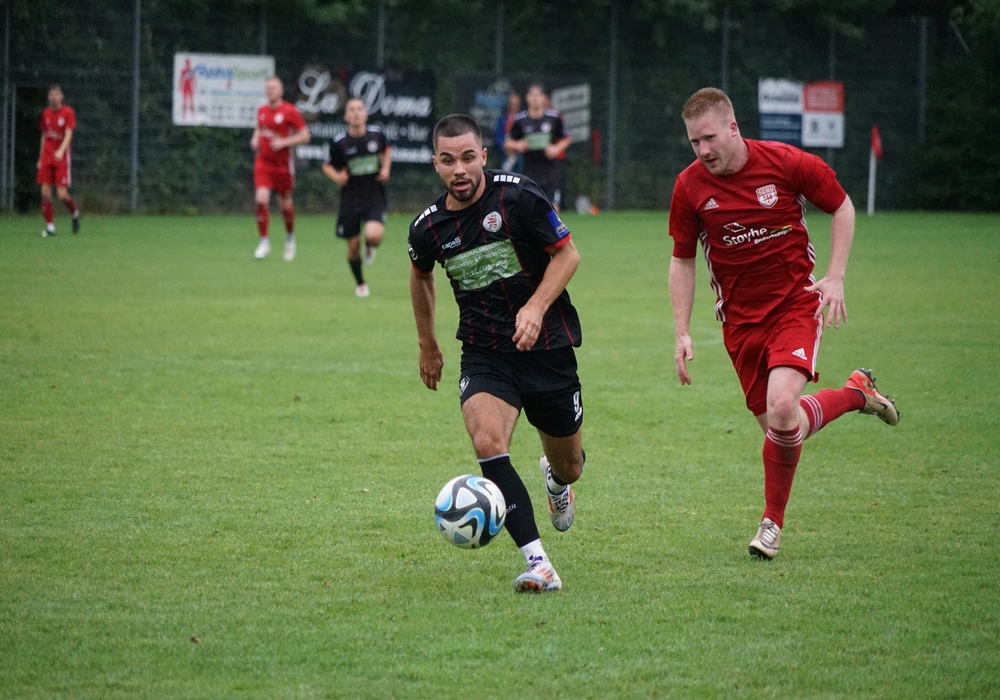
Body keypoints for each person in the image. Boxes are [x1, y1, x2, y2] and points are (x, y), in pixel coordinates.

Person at [668, 87, 899, 560]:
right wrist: (682, 330)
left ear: (733, 128)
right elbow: (682, 260)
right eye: (694, 142)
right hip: (739, 325)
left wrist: (835, 276)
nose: (703, 150)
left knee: (781, 406)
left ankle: (771, 524)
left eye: (709, 138)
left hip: (795, 306)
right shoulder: (689, 187)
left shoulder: (785, 162)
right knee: (785, 425)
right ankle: (856, 393)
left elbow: (842, 206)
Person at [409, 114, 585, 593]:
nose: (460, 169)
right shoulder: (427, 228)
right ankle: (539, 563)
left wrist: (536, 307)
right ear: (435, 163)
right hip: (485, 352)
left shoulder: (520, 196)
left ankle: (556, 482)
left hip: (547, 348)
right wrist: (427, 342)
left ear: (483, 156)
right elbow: (421, 276)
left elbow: (567, 254)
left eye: (468, 157)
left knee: (569, 465)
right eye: (448, 160)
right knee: (488, 442)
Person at [322, 97, 391, 297]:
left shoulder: (376, 135)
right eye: (351, 109)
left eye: (359, 109)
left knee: (374, 236)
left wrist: (386, 169)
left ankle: (369, 247)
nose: (356, 113)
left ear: (365, 114)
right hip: (350, 199)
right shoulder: (339, 142)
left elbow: (386, 151)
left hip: (373, 196)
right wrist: (337, 177)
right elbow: (327, 165)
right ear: (346, 116)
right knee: (353, 246)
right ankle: (360, 283)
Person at [250, 76, 310, 261]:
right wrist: (255, 138)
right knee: (261, 200)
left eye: (274, 87)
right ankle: (264, 242)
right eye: (268, 88)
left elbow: (305, 136)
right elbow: (260, 128)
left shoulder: (289, 111)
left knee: (285, 205)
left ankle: (290, 238)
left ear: (281, 91)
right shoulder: (261, 110)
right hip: (263, 163)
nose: (270, 90)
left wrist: (284, 142)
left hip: (283, 166)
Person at [505, 84, 570, 211]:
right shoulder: (520, 120)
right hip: (529, 175)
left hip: (551, 174)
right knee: (530, 210)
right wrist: (517, 145)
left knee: (553, 210)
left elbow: (566, 138)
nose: (535, 98)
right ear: (527, 98)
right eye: (532, 95)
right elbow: (507, 143)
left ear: (544, 98)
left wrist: (556, 148)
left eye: (538, 95)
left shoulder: (554, 118)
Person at [37, 84, 80, 237]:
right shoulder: (46, 113)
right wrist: (40, 157)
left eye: (57, 94)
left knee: (62, 195)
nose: (54, 97)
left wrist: (61, 150)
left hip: (61, 157)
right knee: (45, 192)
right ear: (48, 97)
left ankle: (75, 213)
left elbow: (68, 133)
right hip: (47, 156)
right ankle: (50, 227)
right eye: (51, 94)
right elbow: (44, 135)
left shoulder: (68, 112)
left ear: (62, 96)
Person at [494, 91, 523, 173]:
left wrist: (518, 147)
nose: (514, 107)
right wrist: (505, 147)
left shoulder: (523, 118)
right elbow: (498, 136)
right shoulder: (502, 119)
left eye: (516, 104)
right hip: (505, 153)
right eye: (511, 104)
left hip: (520, 154)